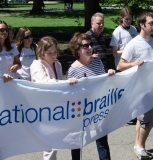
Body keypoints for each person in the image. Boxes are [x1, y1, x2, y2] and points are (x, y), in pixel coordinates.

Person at [118, 12, 153, 160]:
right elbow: (121, 65)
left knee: (142, 118)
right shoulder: (133, 44)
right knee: (148, 119)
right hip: (139, 89)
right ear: (142, 25)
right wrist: (134, 63)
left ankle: (137, 144)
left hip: (152, 87)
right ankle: (140, 147)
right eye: (151, 23)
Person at [68, 32, 114, 160]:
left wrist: (109, 75)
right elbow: (70, 95)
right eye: (85, 46)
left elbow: (103, 82)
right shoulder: (73, 69)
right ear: (77, 49)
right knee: (76, 143)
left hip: (97, 108)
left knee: (102, 142)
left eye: (91, 44)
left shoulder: (98, 62)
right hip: (80, 112)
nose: (89, 48)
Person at [30, 36, 77, 160]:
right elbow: (45, 82)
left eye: (55, 52)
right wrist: (65, 83)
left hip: (56, 107)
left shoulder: (58, 64)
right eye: (49, 53)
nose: (53, 55)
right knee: (49, 145)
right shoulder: (36, 65)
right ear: (41, 52)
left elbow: (59, 83)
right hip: (43, 108)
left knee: (55, 143)